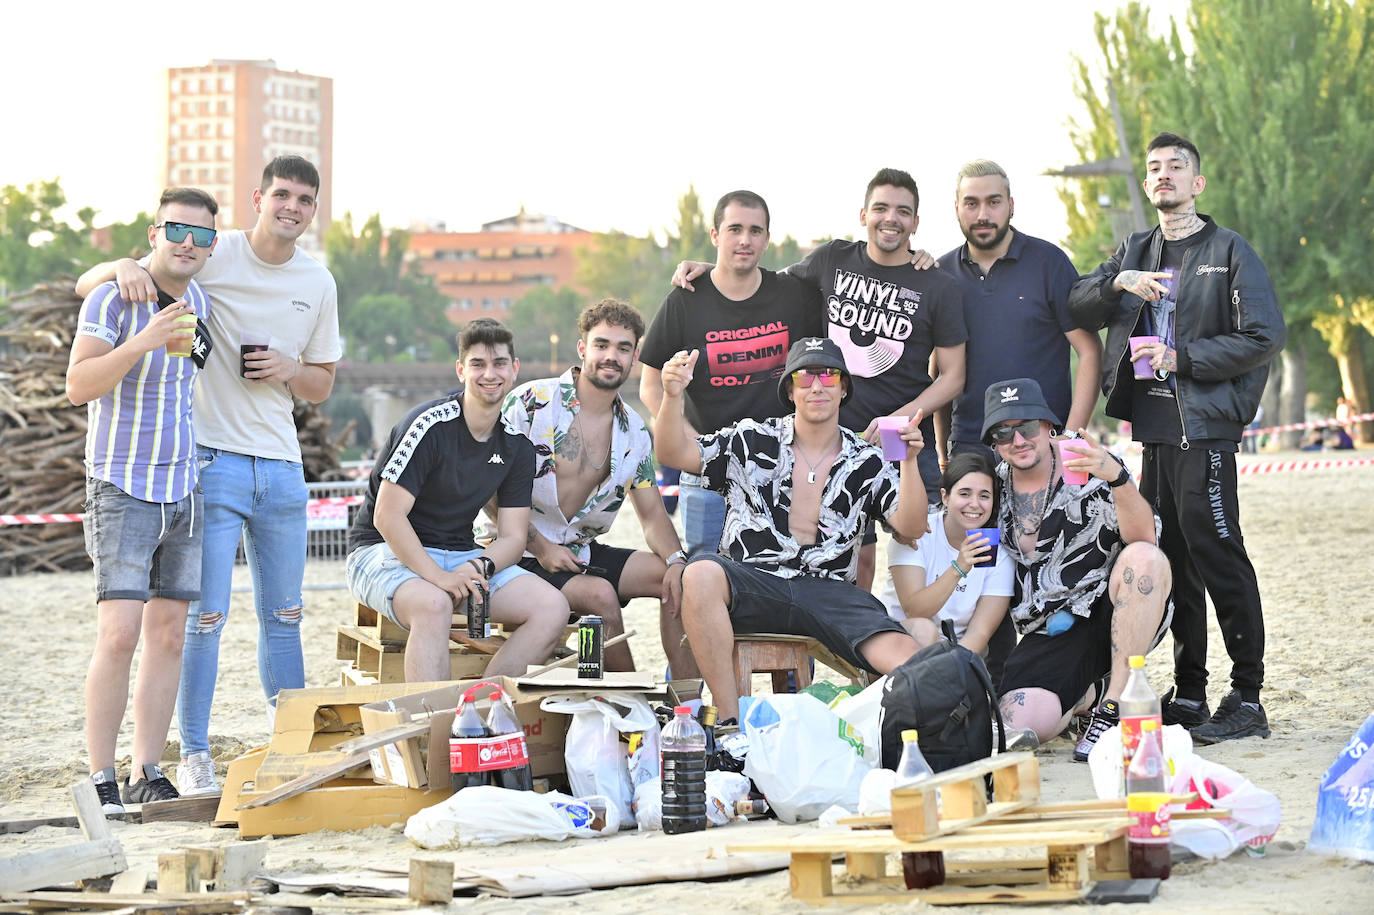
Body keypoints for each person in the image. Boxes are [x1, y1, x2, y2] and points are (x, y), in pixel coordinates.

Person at [76, 155, 343, 795]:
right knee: (195, 621)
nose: (291, 207)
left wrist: (286, 367)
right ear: (258, 197)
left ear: (313, 209)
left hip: (272, 467)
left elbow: (323, 383)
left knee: (283, 615)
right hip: (206, 462)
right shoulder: (209, 252)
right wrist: (117, 267)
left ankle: (286, 750)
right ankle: (183, 757)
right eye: (281, 194)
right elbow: (100, 287)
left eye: (305, 199)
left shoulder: (316, 281)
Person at [1069, 131, 1286, 744]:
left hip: (1207, 424)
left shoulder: (1229, 250)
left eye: (1177, 167)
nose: (1164, 176)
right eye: (1155, 168)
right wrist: (1119, 284)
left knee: (1217, 548)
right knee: (1173, 557)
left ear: (1198, 183)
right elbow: (1076, 302)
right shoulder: (1136, 249)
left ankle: (1247, 697)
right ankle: (1190, 691)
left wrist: (1180, 355)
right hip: (1155, 428)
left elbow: (1263, 335)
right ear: (1147, 185)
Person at [674, 169, 968, 589]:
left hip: (900, 436)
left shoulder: (937, 284)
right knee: (850, 561)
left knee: (919, 546)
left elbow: (953, 377)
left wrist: (894, 423)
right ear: (863, 214)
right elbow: (771, 284)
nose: (892, 219)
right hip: (833, 435)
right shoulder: (833, 258)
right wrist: (719, 267)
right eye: (881, 208)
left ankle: (916, 638)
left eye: (904, 212)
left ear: (916, 223)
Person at [655, 336, 930, 721]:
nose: (817, 385)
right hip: (755, 580)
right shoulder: (750, 439)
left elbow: (912, 526)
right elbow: (672, 454)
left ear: (843, 387)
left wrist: (910, 462)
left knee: (913, 663)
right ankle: (731, 728)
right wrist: (672, 396)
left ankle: (881, 730)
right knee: (699, 574)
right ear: (790, 388)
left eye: (829, 375)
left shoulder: (867, 459)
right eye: (805, 377)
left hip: (829, 590)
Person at [67, 188, 218, 813]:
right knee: (119, 634)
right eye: (179, 230)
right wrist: (143, 339)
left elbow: (198, 364)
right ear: (155, 232)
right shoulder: (113, 297)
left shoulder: (199, 298)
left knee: (170, 635)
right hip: (122, 486)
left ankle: (147, 769)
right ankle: (102, 777)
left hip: (183, 487)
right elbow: (79, 385)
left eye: (203, 235)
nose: (190, 243)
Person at [346, 319, 570, 682]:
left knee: (552, 607)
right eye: (478, 364)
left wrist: (479, 567)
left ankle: (478, 713)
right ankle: (432, 730)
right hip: (382, 552)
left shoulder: (516, 446)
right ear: (461, 369)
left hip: (460, 555)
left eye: (499, 363)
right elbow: (387, 517)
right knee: (434, 605)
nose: (489, 374)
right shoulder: (428, 424)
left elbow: (513, 538)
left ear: (514, 370)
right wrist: (437, 577)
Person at [980, 379, 1173, 760]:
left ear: (1049, 427)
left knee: (1146, 562)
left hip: (1113, 608)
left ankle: (1116, 707)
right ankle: (1091, 696)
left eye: (1027, 427)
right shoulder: (991, 489)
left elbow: (1146, 539)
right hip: (1046, 629)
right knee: (1022, 724)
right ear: (994, 443)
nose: (1017, 440)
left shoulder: (1087, 466)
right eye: (1003, 432)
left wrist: (1116, 476)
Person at [500, 299, 694, 675]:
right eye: (602, 345)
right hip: (513, 550)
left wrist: (676, 561)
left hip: (577, 552)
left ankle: (682, 705)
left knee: (683, 583)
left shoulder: (635, 432)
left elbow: (653, 515)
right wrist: (540, 547)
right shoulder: (531, 403)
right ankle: (628, 707)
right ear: (582, 348)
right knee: (599, 594)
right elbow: (491, 491)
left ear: (635, 356)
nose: (611, 356)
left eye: (623, 348)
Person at [640, 190, 822, 560]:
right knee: (702, 576)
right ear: (714, 236)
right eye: (734, 229)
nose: (745, 239)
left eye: (755, 231)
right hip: (708, 475)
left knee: (782, 581)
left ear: (767, 239)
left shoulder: (792, 295)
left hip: (780, 471)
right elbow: (649, 387)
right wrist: (695, 448)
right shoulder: (685, 300)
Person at [937, 159, 1102, 462]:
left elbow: (1090, 350)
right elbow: (939, 372)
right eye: (971, 203)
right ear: (957, 208)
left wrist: (1072, 436)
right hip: (970, 449)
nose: (983, 214)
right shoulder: (941, 274)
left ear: (1011, 205)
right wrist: (944, 454)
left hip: (1041, 445)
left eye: (994, 202)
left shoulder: (1049, 263)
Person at [878, 452, 1013, 653]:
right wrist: (959, 568)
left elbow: (979, 633)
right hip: (901, 643)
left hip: (954, 655)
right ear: (945, 497)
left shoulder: (998, 553)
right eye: (964, 493)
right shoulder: (917, 534)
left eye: (984, 496)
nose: (974, 504)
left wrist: (951, 670)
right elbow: (915, 610)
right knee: (924, 631)